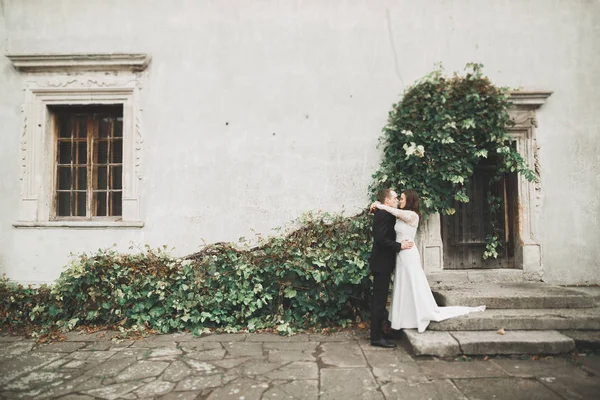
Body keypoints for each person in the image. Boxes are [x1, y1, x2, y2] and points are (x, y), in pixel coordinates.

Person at [372, 189, 485, 333]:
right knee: (403, 285)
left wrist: (379, 205)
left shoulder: (412, 215)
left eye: (402, 198)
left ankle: (419, 314)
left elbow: (393, 211)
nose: (399, 201)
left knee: (413, 284)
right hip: (400, 254)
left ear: (410, 201)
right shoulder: (400, 216)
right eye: (398, 198)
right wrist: (377, 204)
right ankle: (404, 318)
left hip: (408, 253)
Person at [369, 189, 414, 348]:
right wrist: (399, 246)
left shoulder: (387, 212)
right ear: (387, 200)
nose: (396, 200)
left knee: (381, 300)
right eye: (395, 198)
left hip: (384, 262)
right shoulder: (383, 214)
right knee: (379, 301)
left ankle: (380, 333)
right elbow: (380, 239)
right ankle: (375, 337)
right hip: (381, 263)